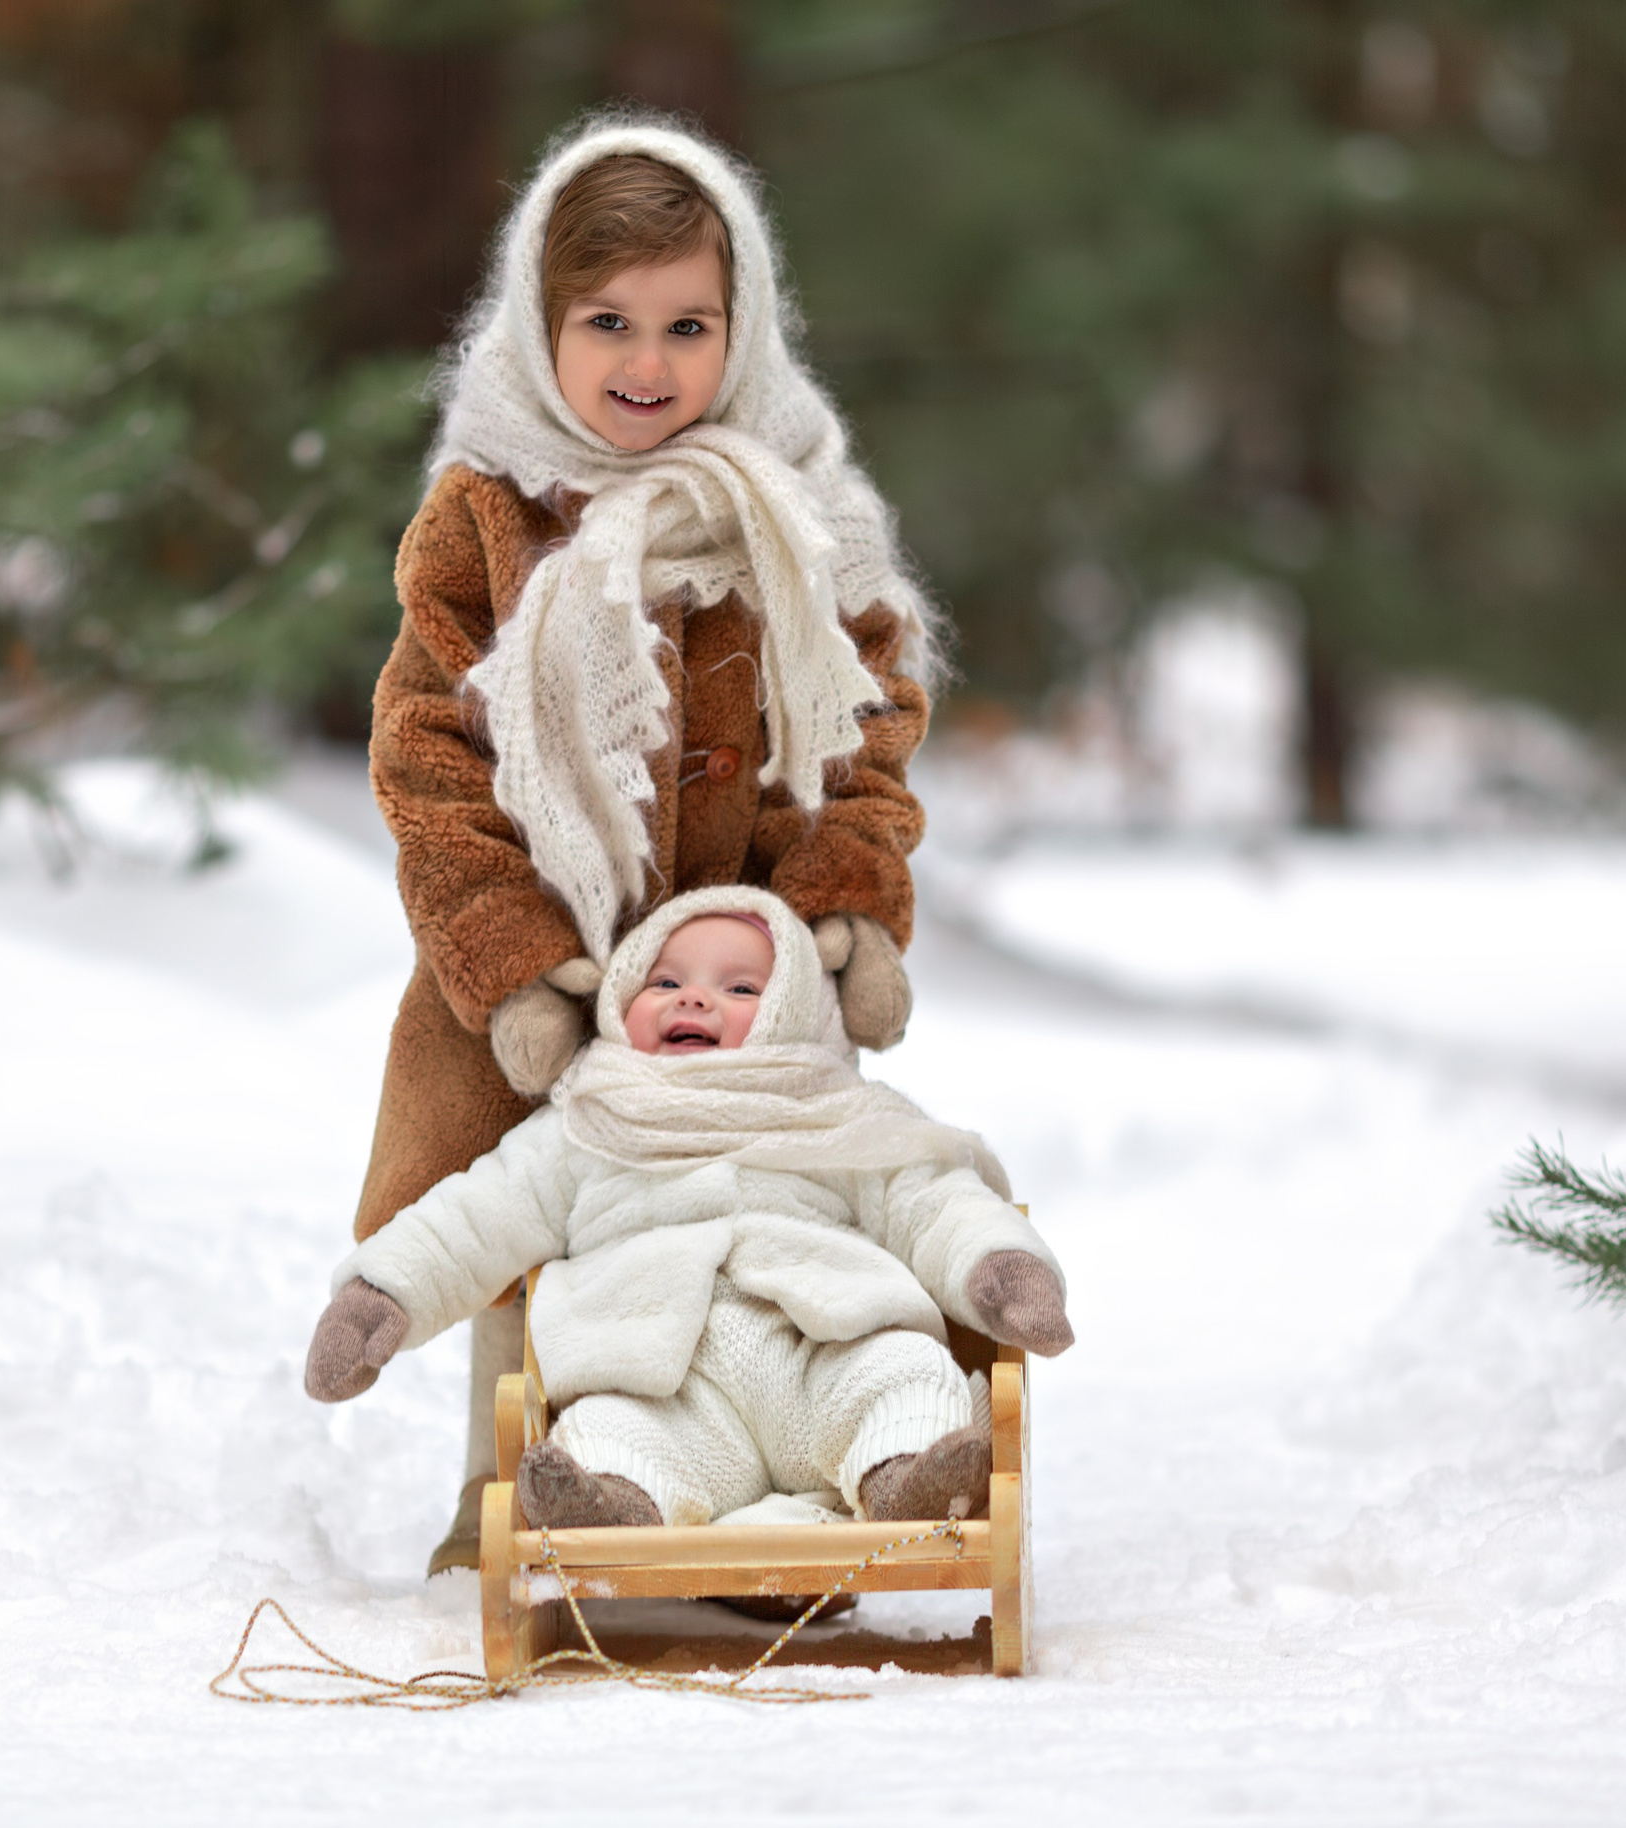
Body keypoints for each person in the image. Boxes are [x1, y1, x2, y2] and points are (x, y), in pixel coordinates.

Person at [352, 116, 944, 1567]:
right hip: (539, 959)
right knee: (526, 1225)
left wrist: (841, 904)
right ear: (539, 323)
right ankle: (513, 1488)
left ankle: (752, 1498)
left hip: (733, 970)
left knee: (756, 1224)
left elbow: (868, 723)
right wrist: (512, 963)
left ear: (739, 335)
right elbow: (427, 750)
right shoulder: (485, 512)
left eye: (688, 325)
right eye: (607, 321)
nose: (648, 360)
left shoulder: (797, 509)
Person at [308, 888, 1073, 1530]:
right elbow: (473, 1220)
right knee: (602, 1433)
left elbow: (932, 1200)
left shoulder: (833, 1109)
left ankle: (907, 1479)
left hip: (826, 1358)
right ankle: (611, 1505)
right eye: (664, 981)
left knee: (907, 1374)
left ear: (793, 1014)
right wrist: (381, 1296)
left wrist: (1002, 1268)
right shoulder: (587, 1122)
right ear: (618, 1002)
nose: (696, 997)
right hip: (664, 1391)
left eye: (742, 989)